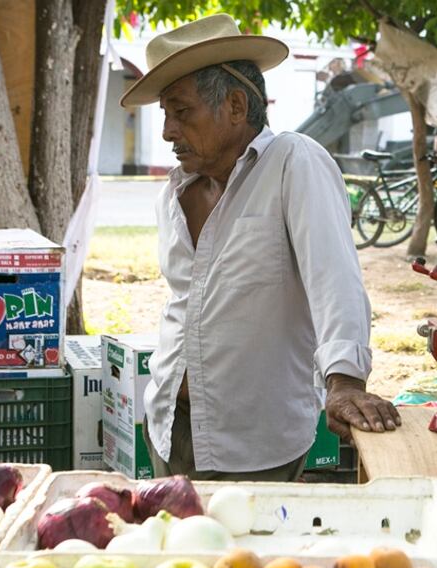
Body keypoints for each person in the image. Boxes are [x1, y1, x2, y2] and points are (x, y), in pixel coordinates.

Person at [120, 14, 400, 481]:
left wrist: (346, 380)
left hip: (255, 443)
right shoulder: (174, 192)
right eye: (165, 115)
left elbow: (335, 281)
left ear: (233, 105)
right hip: (169, 424)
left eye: (181, 111)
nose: (168, 131)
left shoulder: (293, 162)